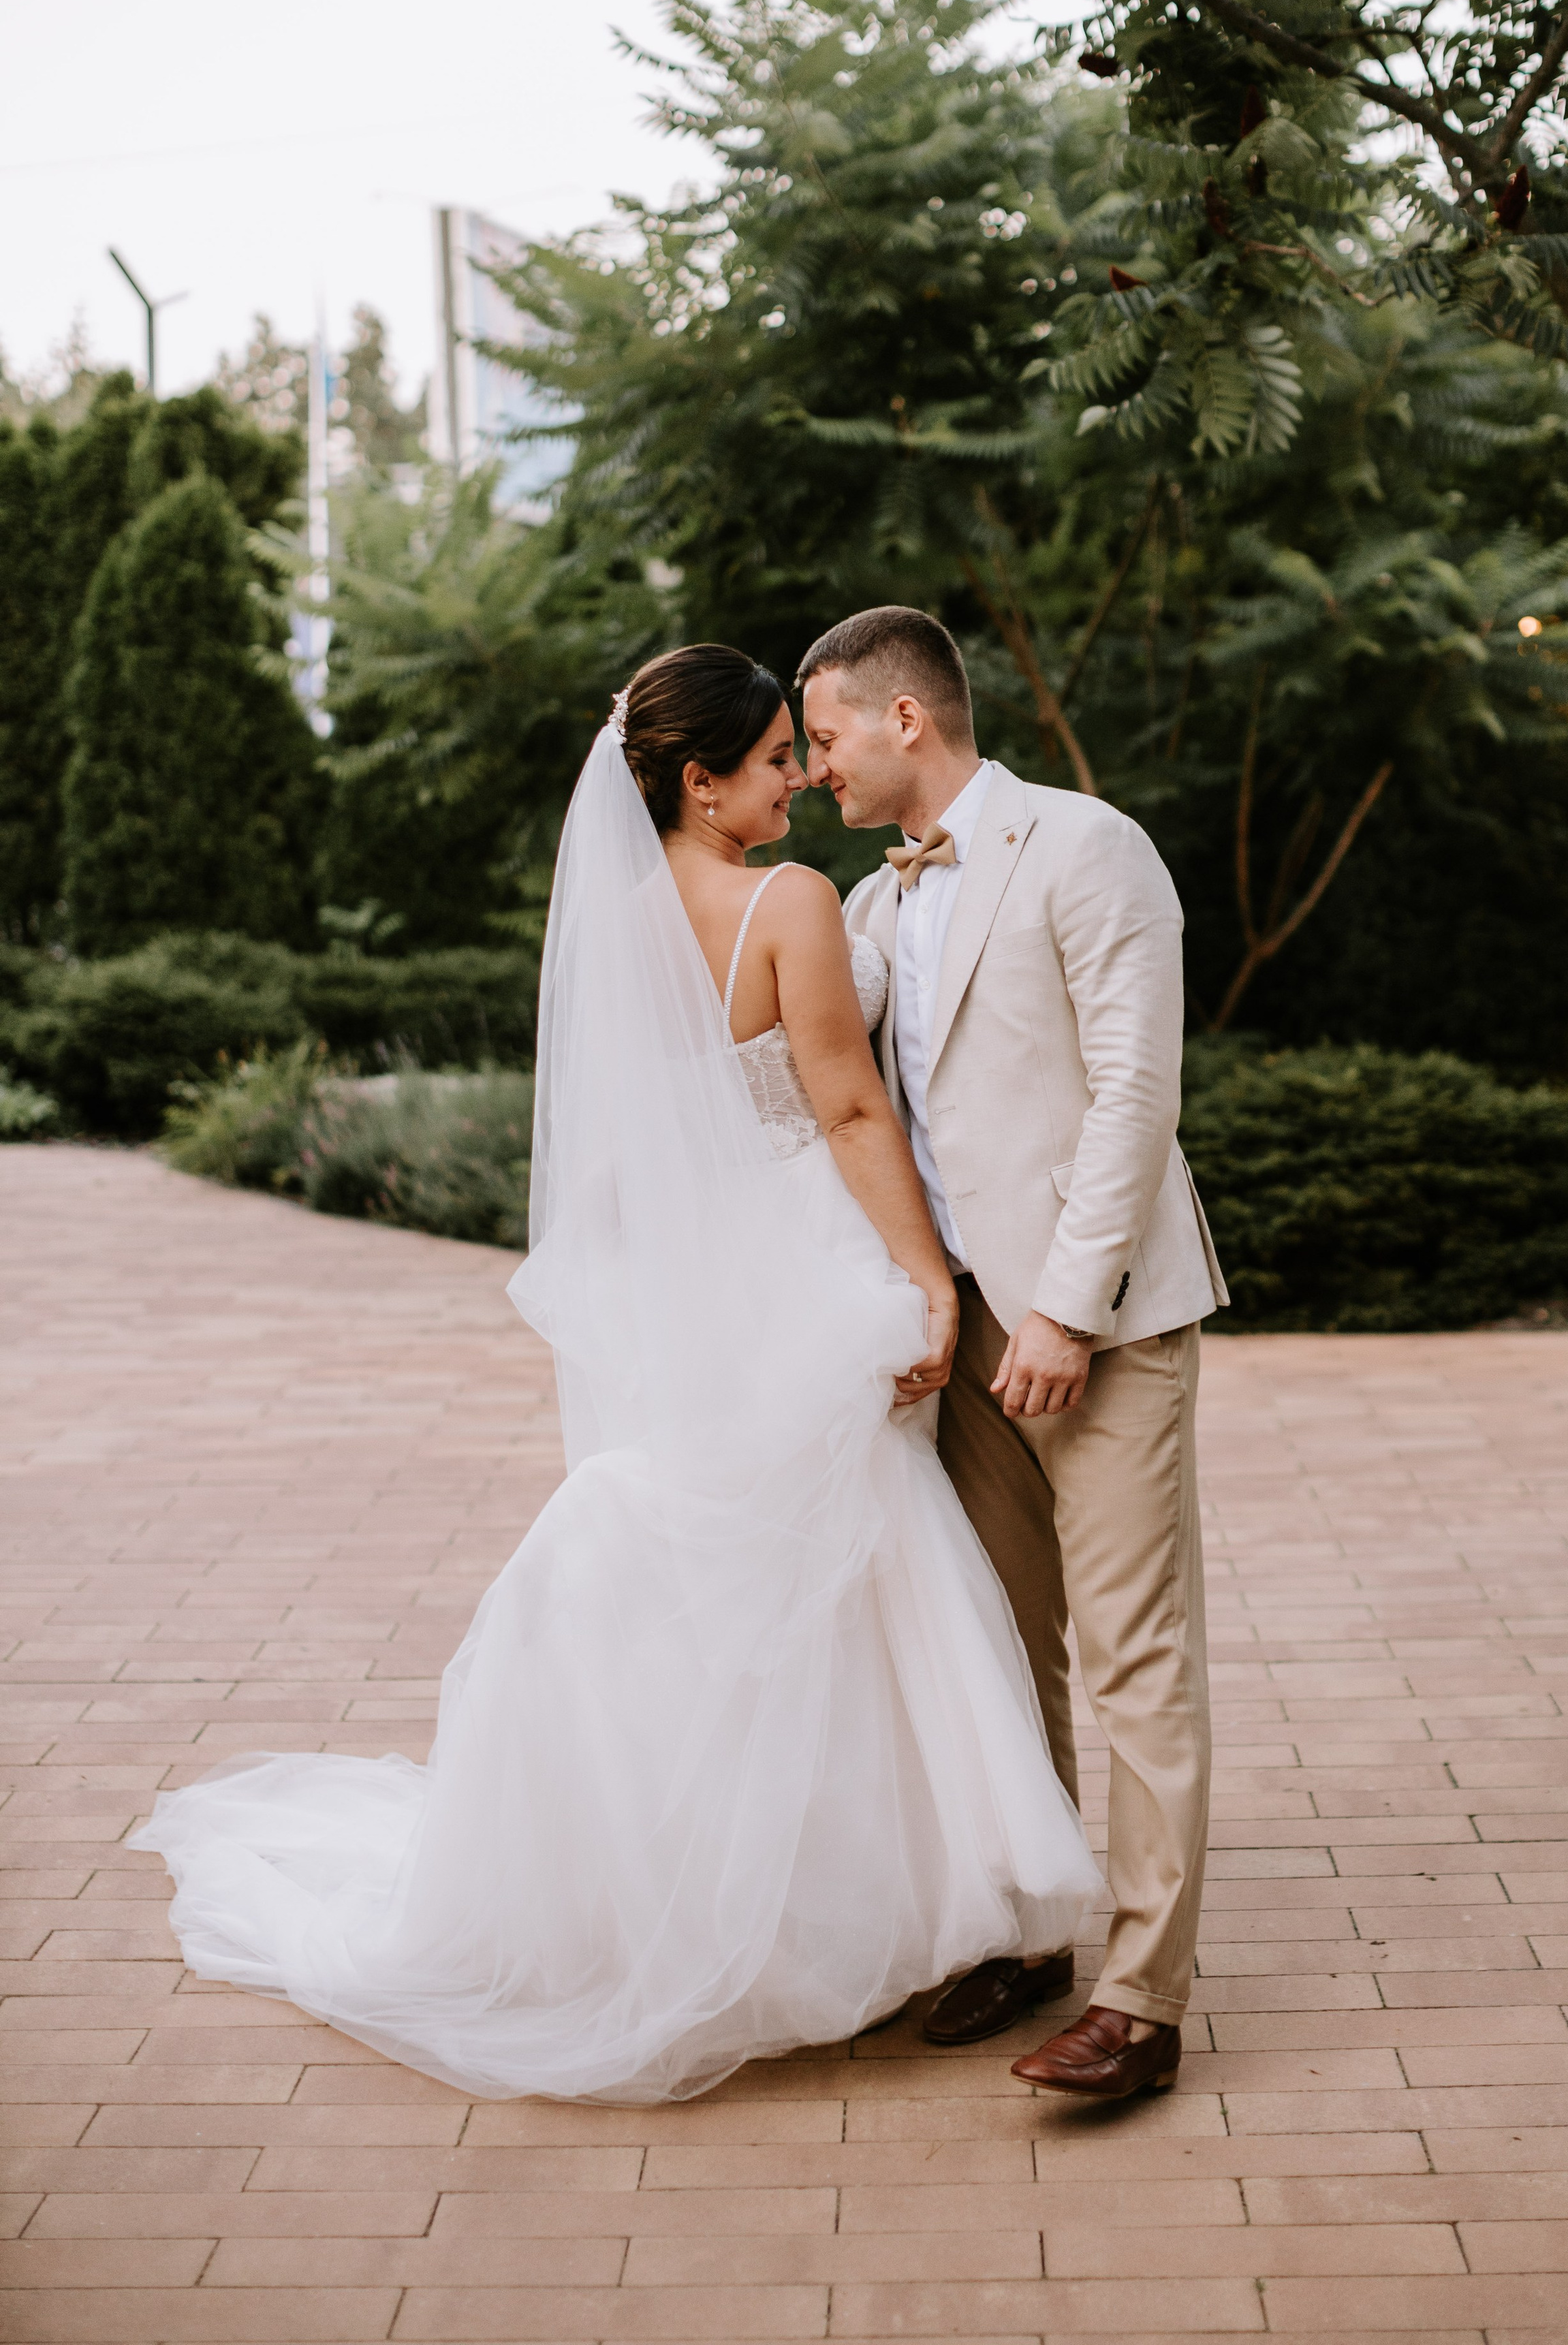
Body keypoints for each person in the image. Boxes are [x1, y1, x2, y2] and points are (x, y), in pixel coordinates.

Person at [127, 644, 1097, 2105]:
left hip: (704, 1284)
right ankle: (855, 1910)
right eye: (774, 760)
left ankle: (726, 1897)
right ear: (701, 785)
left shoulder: (629, 920)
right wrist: (925, 1280)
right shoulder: (794, 902)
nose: (798, 778)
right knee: (859, 1575)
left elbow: (632, 1149)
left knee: (741, 1580)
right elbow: (841, 1106)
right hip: (810, 1261)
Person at [800, 606, 1227, 2102]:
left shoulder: (1086, 846)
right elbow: (816, 1072)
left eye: (825, 736)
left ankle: (1143, 1997)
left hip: (1093, 1320)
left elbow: (1133, 1094)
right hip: (957, 1327)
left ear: (904, 719)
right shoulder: (866, 899)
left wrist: (1063, 1309)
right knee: (997, 1649)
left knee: (1134, 1656)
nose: (811, 766)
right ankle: (1031, 1930)